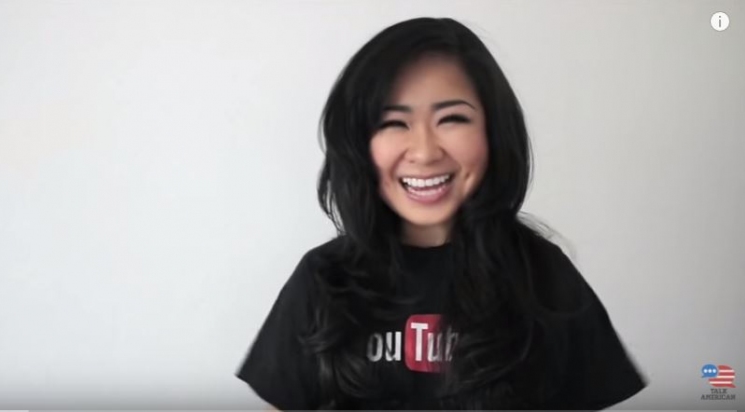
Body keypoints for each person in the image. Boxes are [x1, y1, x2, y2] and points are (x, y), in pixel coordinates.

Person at [236, 17, 646, 410]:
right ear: (360, 143)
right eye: (393, 123)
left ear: (493, 131)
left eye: (451, 119)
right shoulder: (322, 279)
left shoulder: (545, 275)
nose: (425, 152)